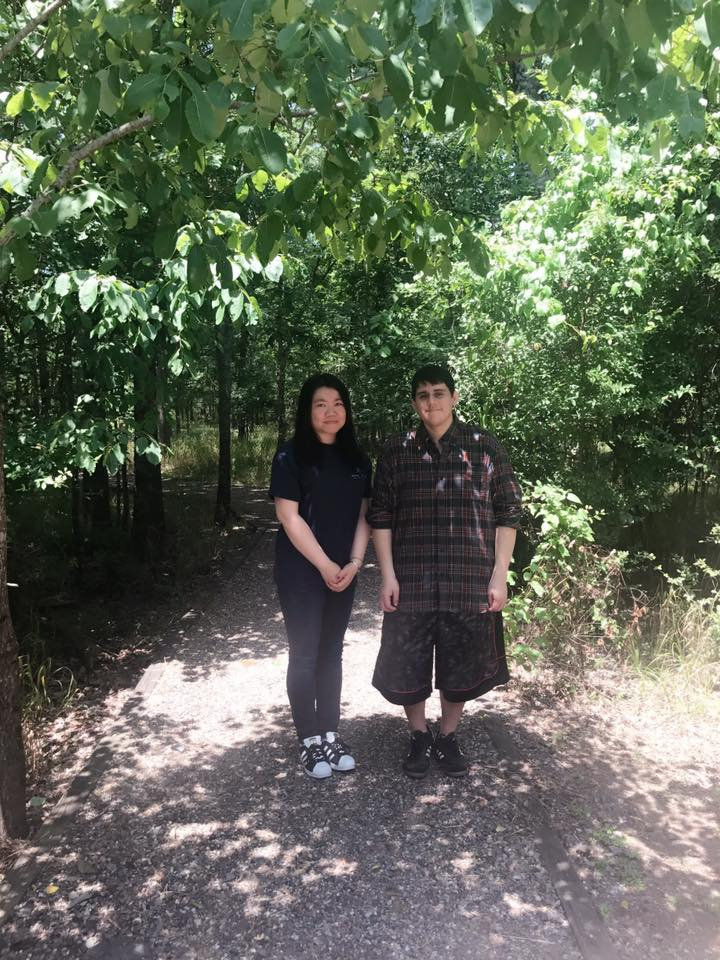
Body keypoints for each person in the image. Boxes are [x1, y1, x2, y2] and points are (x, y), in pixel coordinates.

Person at [368, 363, 522, 779]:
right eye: (423, 395)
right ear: (414, 403)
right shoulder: (397, 450)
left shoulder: (484, 446)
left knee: (462, 664)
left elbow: (508, 512)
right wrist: (387, 575)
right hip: (411, 580)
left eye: (439, 393)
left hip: (468, 578)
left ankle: (448, 735)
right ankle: (419, 734)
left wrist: (499, 574)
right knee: (408, 663)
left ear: (454, 397)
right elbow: (380, 516)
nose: (431, 402)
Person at [269, 373, 372, 779]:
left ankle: (330, 734)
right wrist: (326, 565)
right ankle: (309, 740)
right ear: (307, 411)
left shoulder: (358, 461)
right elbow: (289, 517)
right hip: (300, 572)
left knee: (332, 652)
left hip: (344, 572)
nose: (331, 412)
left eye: (338, 403)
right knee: (305, 653)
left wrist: (354, 563)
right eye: (321, 404)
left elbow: (365, 516)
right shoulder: (290, 455)